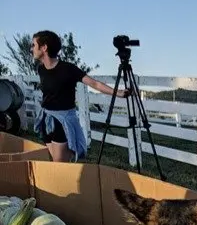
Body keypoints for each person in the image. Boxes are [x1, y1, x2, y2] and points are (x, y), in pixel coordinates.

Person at [31, 30, 130, 162]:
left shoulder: (68, 69)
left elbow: (95, 84)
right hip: (47, 119)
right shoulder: (41, 69)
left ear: (44, 47)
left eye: (33, 45)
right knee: (54, 163)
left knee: (60, 166)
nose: (31, 49)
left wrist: (118, 93)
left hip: (63, 121)